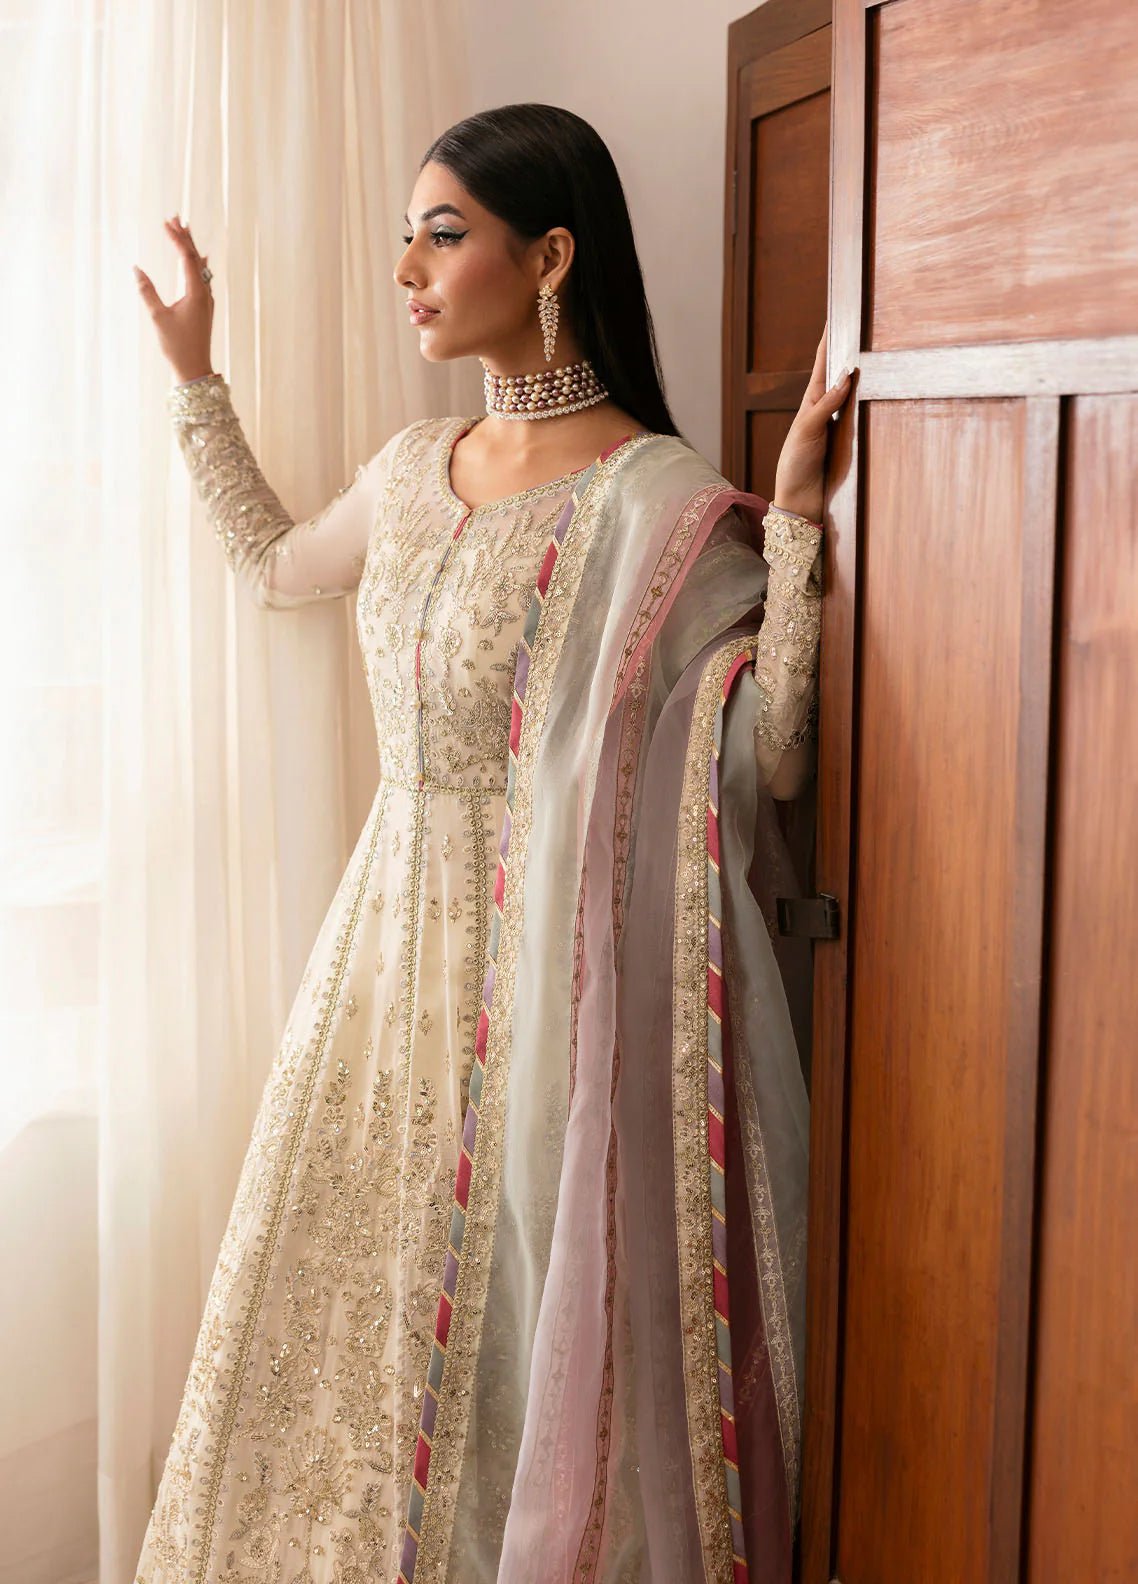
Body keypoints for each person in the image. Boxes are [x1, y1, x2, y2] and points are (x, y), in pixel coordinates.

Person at [130, 102, 851, 1584]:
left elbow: (769, 760)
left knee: (519, 1332)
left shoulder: (656, 503)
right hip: (380, 961)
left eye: (442, 231)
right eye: (409, 229)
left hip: (552, 979)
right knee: (353, 1323)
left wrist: (788, 530)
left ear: (550, 257)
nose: (408, 264)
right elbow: (276, 566)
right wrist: (196, 382)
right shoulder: (410, 469)